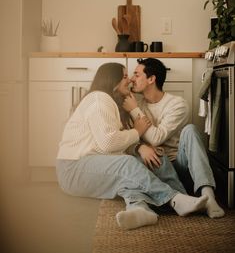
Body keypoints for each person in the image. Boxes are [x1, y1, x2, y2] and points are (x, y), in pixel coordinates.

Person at [56, 62, 209, 230]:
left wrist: (138, 147)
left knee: (129, 178)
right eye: (124, 76)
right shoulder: (99, 99)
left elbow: (117, 142)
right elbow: (108, 143)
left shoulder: (112, 102)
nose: (129, 80)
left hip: (88, 165)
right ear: (111, 80)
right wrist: (137, 131)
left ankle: (139, 209)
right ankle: (176, 198)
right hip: (73, 168)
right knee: (127, 165)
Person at [122, 58, 225, 219]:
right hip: (155, 166)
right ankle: (178, 201)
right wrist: (142, 147)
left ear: (151, 79)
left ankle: (209, 196)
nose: (131, 79)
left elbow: (156, 138)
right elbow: (128, 140)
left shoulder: (177, 104)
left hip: (180, 165)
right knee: (142, 160)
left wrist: (135, 111)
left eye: (136, 74)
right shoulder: (134, 105)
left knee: (190, 130)